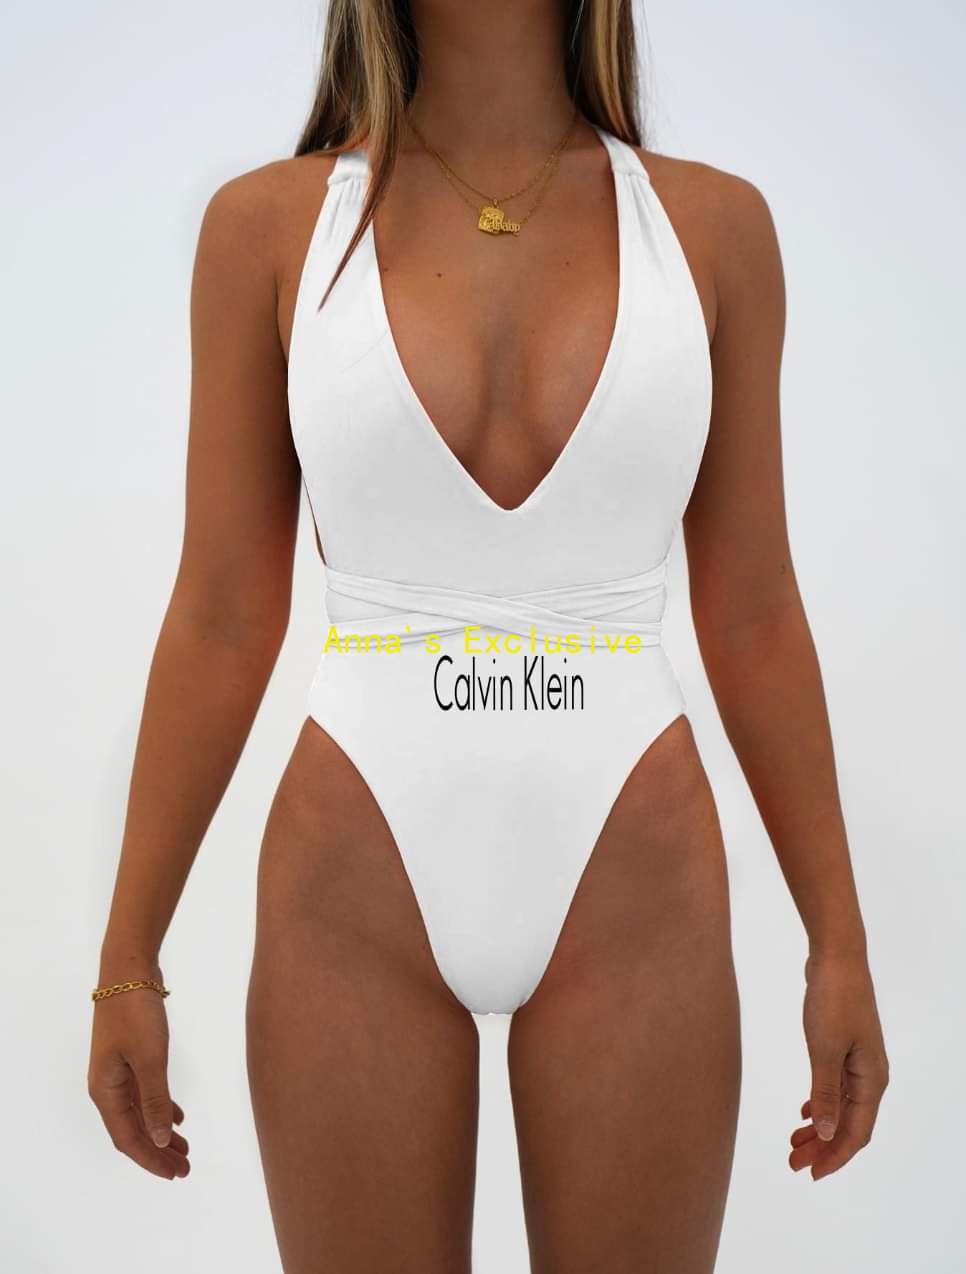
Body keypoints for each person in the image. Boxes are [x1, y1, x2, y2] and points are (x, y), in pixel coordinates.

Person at [87, 2, 889, 1270]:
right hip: (353, 886)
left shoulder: (715, 229)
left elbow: (756, 613)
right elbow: (222, 614)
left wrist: (837, 940)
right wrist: (128, 957)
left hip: (637, 883)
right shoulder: (269, 228)